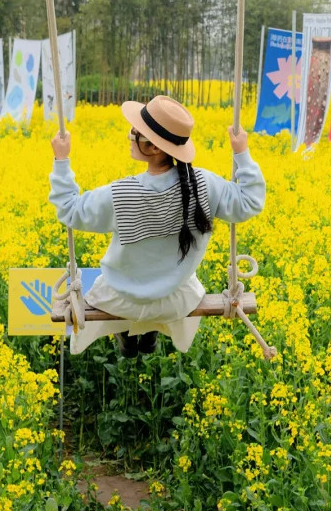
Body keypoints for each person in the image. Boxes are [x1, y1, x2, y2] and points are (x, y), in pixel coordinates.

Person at [49, 95, 265, 357]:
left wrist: (61, 162)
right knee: (184, 286)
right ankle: (149, 331)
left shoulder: (121, 193)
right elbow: (250, 201)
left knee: (111, 291)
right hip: (176, 299)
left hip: (122, 300)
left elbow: (70, 210)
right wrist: (241, 153)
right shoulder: (204, 185)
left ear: (154, 149)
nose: (129, 136)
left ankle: (128, 333)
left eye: (135, 132)